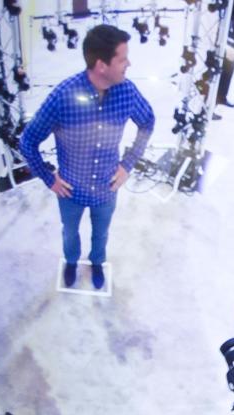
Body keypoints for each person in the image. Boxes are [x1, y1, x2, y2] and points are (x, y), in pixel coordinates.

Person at [20, 24, 155, 290]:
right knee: (70, 232)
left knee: (101, 234)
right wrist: (49, 179)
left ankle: (96, 263)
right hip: (70, 190)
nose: (129, 64)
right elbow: (28, 141)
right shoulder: (63, 96)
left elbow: (147, 122)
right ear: (101, 65)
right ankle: (71, 262)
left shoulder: (127, 91)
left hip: (107, 188)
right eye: (122, 59)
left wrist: (128, 165)